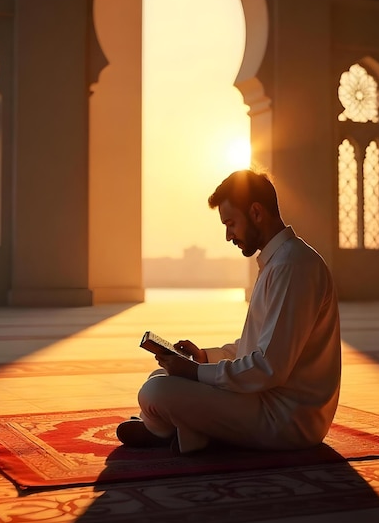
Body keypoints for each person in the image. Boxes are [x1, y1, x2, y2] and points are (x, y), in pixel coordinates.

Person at [116, 168, 341, 454]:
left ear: (256, 213)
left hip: (286, 419)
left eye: (231, 223)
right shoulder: (279, 262)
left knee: (156, 392)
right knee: (159, 378)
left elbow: (267, 368)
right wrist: (203, 358)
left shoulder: (291, 267)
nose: (228, 235)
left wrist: (197, 373)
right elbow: (258, 349)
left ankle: (167, 431)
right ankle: (185, 432)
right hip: (263, 401)